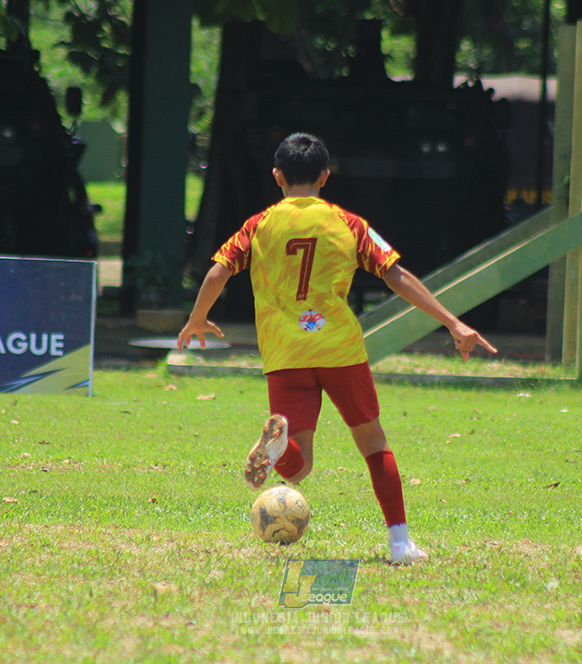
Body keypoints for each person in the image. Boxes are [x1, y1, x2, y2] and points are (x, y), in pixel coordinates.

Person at [176, 132, 497, 565]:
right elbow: (395, 274)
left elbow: (218, 272)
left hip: (284, 354)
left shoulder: (259, 224)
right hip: (340, 351)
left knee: (299, 465)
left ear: (277, 176)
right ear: (325, 176)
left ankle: (278, 447)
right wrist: (453, 322)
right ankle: (400, 544)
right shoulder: (348, 223)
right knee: (372, 442)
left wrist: (197, 319)